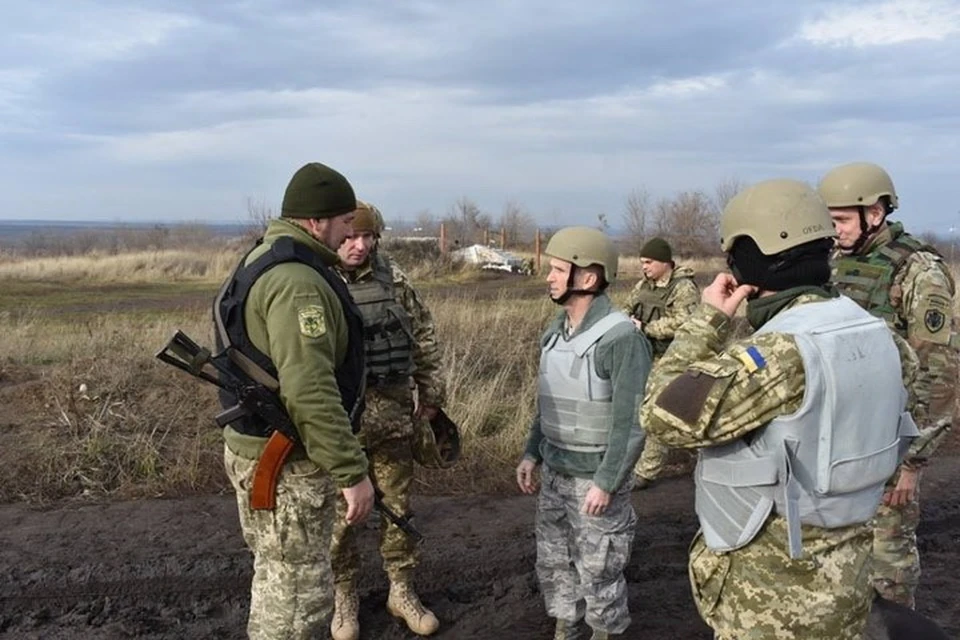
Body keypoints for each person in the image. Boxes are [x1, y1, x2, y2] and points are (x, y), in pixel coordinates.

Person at [640, 179, 920, 639]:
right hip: (848, 584)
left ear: (748, 259)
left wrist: (707, 321)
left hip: (773, 601)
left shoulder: (781, 355)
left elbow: (659, 412)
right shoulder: (878, 336)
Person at [214, 162, 375, 640]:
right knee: (297, 606)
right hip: (286, 463)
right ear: (315, 221)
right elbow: (310, 391)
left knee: (277, 577)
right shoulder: (297, 282)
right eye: (345, 221)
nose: (352, 232)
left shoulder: (262, 258)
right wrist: (352, 473)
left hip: (258, 450)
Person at [819, 161, 959, 608]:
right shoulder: (835, 265)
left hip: (889, 443)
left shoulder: (920, 273)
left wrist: (912, 462)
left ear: (874, 214)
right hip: (837, 439)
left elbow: (938, 373)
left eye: (840, 220)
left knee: (887, 565)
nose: (833, 230)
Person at [516, 226, 652, 640]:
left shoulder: (621, 339)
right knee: (556, 563)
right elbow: (550, 402)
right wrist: (531, 453)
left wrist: (607, 483)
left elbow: (630, 424)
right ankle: (567, 628)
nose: (550, 277)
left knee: (599, 571)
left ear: (588, 278)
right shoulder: (555, 333)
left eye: (559, 270)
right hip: (556, 471)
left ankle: (604, 633)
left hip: (595, 478)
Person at [329, 201, 447, 639]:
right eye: (350, 237)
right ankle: (344, 597)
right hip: (340, 424)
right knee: (342, 516)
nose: (359, 246)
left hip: (394, 416)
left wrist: (432, 397)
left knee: (398, 510)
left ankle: (401, 590)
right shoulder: (318, 281)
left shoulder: (395, 279)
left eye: (368, 237)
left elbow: (425, 338)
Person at [621, 237, 699, 489]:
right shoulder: (644, 285)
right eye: (642, 262)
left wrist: (647, 328)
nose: (644, 267)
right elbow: (627, 307)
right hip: (645, 356)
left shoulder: (683, 288)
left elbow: (683, 322)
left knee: (659, 412)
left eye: (649, 262)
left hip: (672, 359)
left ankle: (646, 472)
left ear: (665, 262)